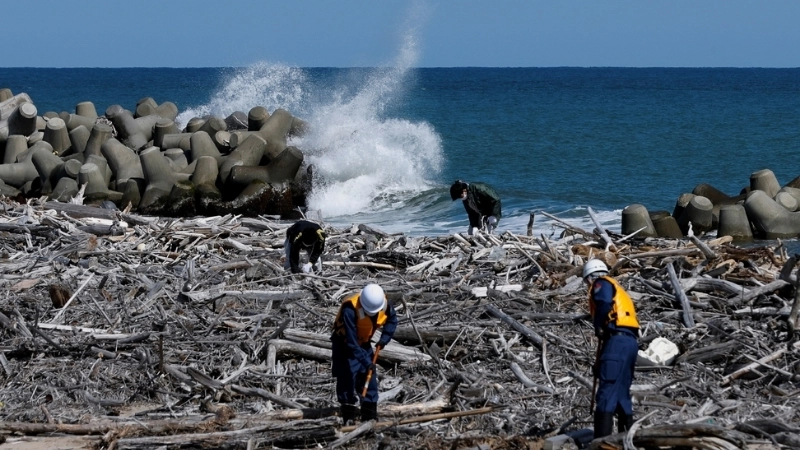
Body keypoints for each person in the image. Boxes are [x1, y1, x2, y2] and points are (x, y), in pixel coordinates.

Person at [583, 259, 640, 439]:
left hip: (617, 342)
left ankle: (600, 443)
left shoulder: (601, 283)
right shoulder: (619, 289)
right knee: (622, 392)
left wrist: (598, 326)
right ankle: (626, 439)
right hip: (629, 342)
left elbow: (604, 304)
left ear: (590, 278)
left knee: (607, 390)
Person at [330, 283, 398, 424]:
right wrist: (367, 361)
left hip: (364, 343)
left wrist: (384, 339)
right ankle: (348, 417)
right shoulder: (350, 310)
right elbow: (352, 343)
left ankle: (369, 416)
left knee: (369, 377)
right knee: (347, 377)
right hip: (345, 346)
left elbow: (392, 320)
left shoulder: (383, 304)